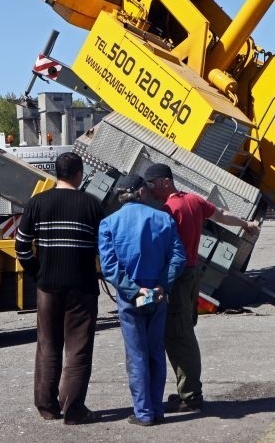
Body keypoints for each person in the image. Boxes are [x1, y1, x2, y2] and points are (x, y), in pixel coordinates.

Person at [143, 163, 260, 413]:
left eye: (152, 185)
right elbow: (221, 216)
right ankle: (188, 389)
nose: (151, 190)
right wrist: (246, 224)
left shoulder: (168, 210)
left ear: (165, 182)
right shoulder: (194, 201)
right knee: (184, 329)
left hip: (179, 276)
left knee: (179, 335)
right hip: (194, 274)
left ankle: (191, 395)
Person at [15, 152, 104, 425]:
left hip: (48, 288)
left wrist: (37, 272)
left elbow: (20, 246)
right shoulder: (92, 205)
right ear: (79, 174)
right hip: (83, 287)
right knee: (78, 347)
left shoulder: (37, 203)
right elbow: (104, 248)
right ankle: (74, 410)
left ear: (57, 173)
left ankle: (47, 407)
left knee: (48, 345)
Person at [99, 173, 186, 426]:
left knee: (136, 355)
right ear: (141, 192)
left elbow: (110, 267)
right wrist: (161, 285)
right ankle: (156, 410)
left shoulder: (109, 224)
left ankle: (143, 413)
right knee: (156, 352)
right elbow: (177, 257)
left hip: (129, 298)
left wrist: (133, 290)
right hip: (157, 295)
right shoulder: (163, 219)